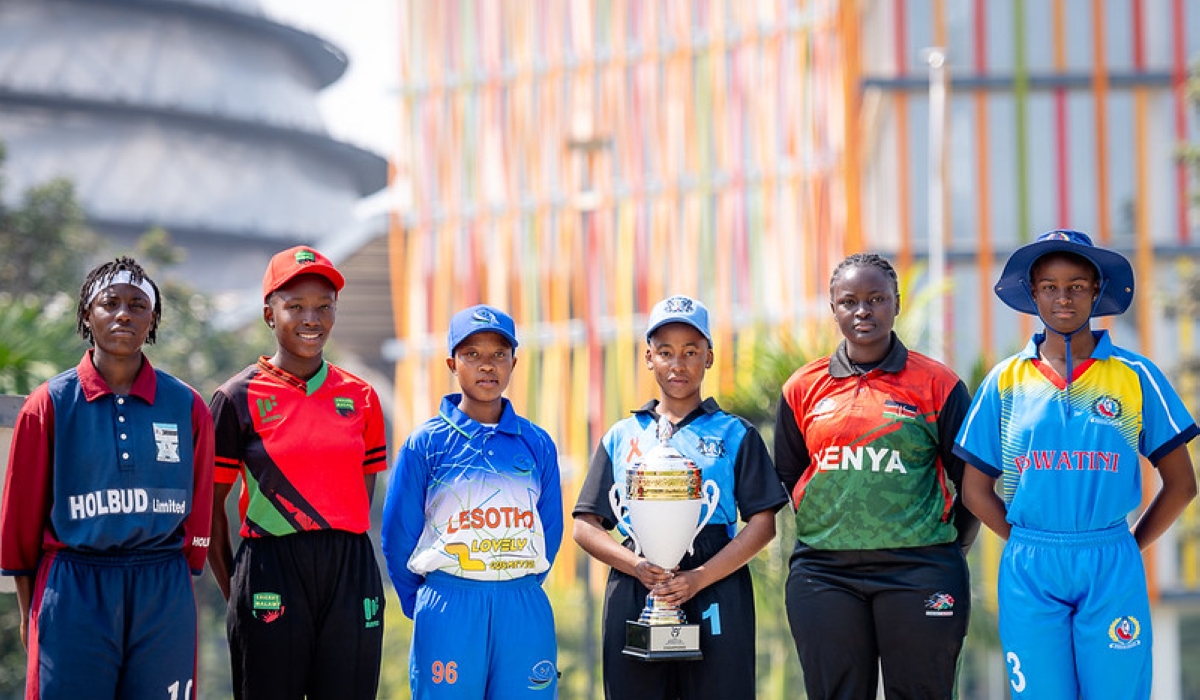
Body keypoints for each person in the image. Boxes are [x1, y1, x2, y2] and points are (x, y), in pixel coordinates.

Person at [954, 229, 1198, 699]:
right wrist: (1029, 539)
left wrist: (1128, 545)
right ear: (1033, 294)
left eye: (1076, 286)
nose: (1063, 297)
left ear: (1096, 291)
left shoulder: (1135, 375)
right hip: (1030, 566)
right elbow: (974, 491)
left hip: (1110, 559)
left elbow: (1181, 484)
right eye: (1049, 286)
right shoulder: (1005, 381)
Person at [0, 256, 214, 699]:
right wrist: (30, 610)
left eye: (137, 305)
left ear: (152, 319)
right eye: (109, 302)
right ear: (86, 313)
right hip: (73, 586)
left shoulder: (186, 405)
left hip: (162, 586)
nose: (123, 314)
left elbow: (199, 512)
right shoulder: (48, 404)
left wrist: (176, 581)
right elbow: (19, 522)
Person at [774, 253, 978, 700]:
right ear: (833, 309)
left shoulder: (938, 384)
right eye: (849, 301)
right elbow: (788, 478)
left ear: (896, 303)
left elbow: (972, 485)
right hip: (824, 574)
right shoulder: (802, 387)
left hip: (921, 568)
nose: (862, 311)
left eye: (876, 299)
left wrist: (948, 548)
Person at [573, 294, 787, 700]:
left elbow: (763, 523)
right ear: (648, 357)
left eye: (691, 351)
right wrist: (637, 566)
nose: (678, 363)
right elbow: (586, 527)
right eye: (666, 352)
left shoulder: (735, 433)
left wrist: (701, 577)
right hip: (638, 581)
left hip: (715, 578)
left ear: (709, 356)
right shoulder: (621, 436)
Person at [208, 245, 388, 700]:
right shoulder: (235, 398)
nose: (312, 319)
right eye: (296, 307)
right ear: (270, 314)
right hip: (270, 566)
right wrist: (239, 589)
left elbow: (359, 497)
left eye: (323, 307)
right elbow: (210, 509)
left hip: (349, 568)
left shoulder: (362, 396)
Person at [381, 304, 563, 699]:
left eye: (498, 354)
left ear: (514, 361)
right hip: (449, 603)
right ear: (451, 362)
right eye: (472, 355)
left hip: (522, 602)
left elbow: (550, 528)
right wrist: (431, 602)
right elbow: (398, 537)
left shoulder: (537, 443)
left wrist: (514, 584)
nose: (487, 366)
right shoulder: (425, 444)